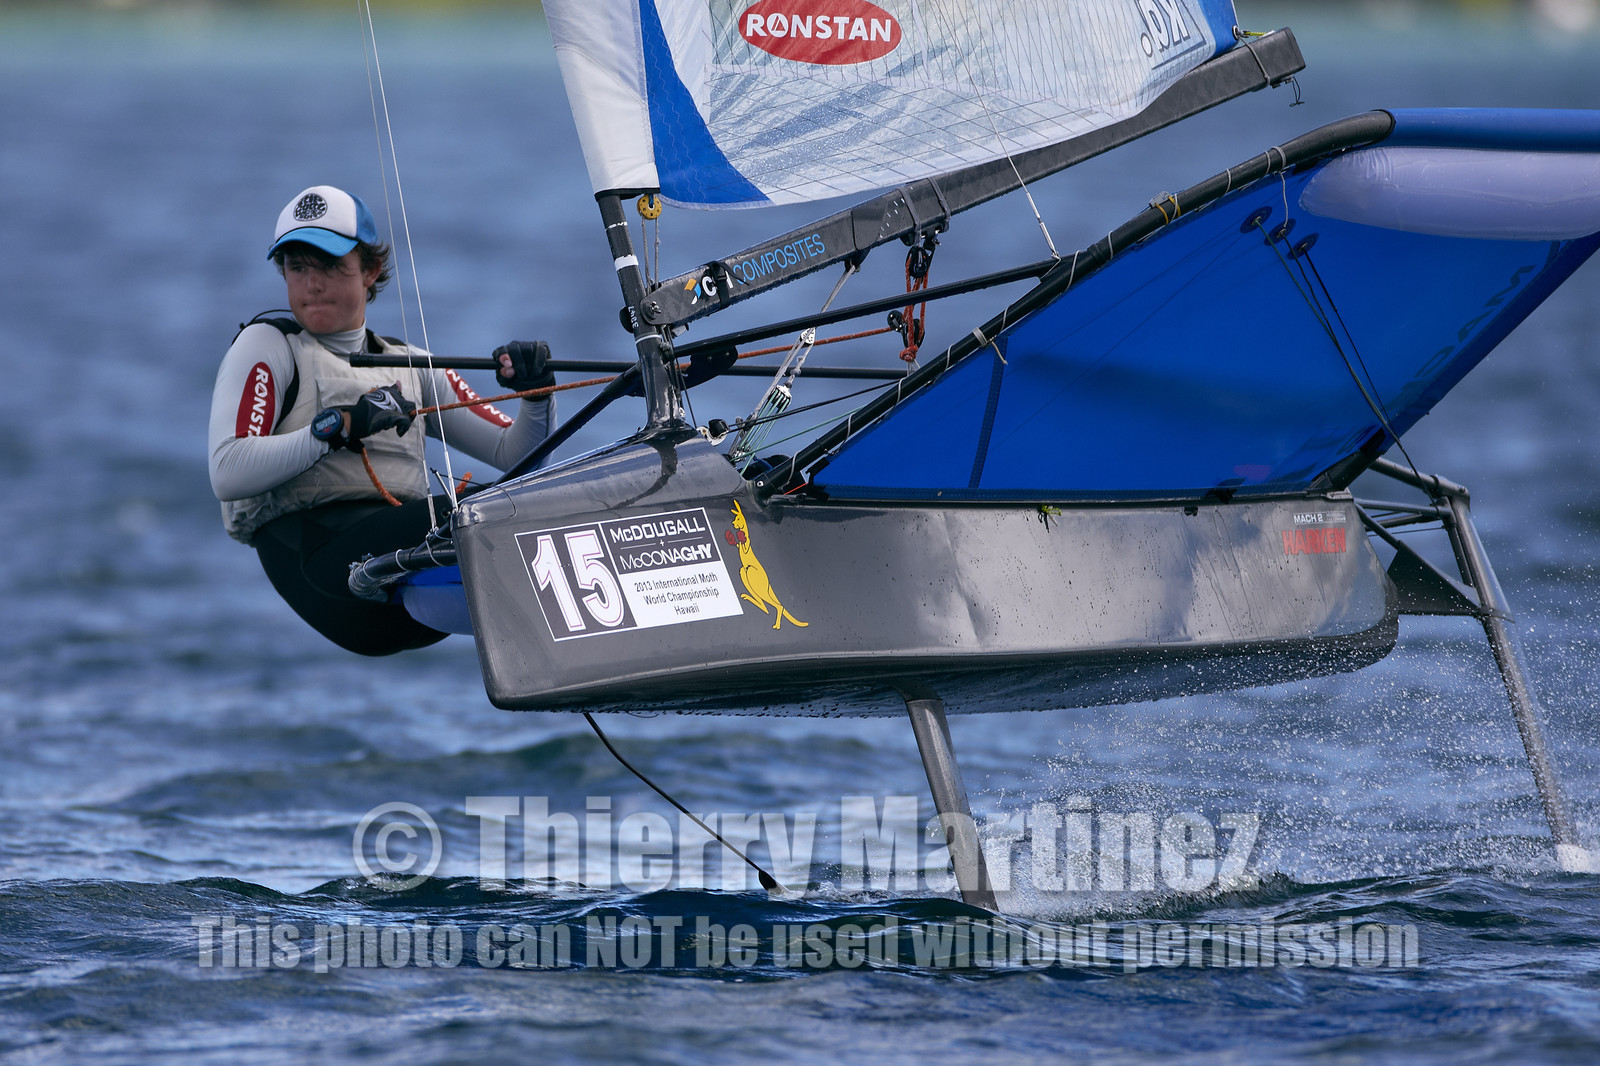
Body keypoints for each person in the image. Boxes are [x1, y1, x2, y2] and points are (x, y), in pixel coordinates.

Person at [208, 185, 555, 656]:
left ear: (370, 270)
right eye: (297, 268)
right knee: (478, 511)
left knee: (523, 508)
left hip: (406, 595)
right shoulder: (269, 345)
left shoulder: (410, 363)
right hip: (323, 573)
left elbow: (517, 457)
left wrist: (537, 395)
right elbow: (227, 472)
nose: (312, 284)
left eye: (329, 266)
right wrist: (337, 429)